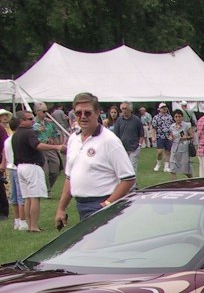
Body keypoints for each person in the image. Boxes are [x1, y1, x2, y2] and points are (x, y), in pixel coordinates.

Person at [53, 93, 134, 226]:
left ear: (97, 113)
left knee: (96, 245)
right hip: (81, 204)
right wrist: (61, 209)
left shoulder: (109, 140)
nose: (83, 116)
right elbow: (69, 177)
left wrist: (106, 204)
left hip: (101, 204)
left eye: (88, 113)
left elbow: (128, 178)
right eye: (78, 113)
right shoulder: (73, 139)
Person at [12, 111, 63, 231]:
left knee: (27, 198)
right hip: (31, 166)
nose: (32, 121)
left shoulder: (16, 134)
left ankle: (30, 225)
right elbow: (37, 145)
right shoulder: (29, 132)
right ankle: (34, 226)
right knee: (35, 197)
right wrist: (56, 147)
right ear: (21, 121)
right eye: (29, 119)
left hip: (20, 167)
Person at [33, 102, 64, 191]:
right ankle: (46, 190)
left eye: (47, 111)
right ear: (37, 111)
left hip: (51, 148)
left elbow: (56, 133)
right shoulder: (32, 123)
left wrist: (57, 141)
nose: (46, 113)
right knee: (44, 171)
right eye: (43, 111)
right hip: (40, 148)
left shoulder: (50, 122)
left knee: (56, 168)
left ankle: (46, 187)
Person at [111, 102, 145, 174]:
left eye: (125, 108)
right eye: (122, 109)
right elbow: (116, 135)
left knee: (132, 168)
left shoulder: (136, 120)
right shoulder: (119, 120)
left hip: (134, 149)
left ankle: (133, 185)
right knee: (123, 169)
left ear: (130, 109)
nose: (124, 110)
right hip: (122, 149)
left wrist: (139, 145)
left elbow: (141, 134)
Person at [167, 109, 194, 179]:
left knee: (186, 169)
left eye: (179, 116)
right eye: (176, 117)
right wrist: (170, 137)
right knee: (173, 167)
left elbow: (192, 136)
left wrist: (186, 137)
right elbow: (171, 135)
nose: (178, 118)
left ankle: (191, 180)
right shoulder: (172, 126)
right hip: (174, 148)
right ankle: (174, 184)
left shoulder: (186, 125)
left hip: (184, 148)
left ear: (182, 117)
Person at [152, 102, 173, 172]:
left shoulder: (169, 117)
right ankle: (158, 163)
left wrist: (171, 135)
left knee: (168, 152)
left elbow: (172, 127)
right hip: (160, 136)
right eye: (162, 107)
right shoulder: (156, 117)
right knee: (159, 152)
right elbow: (154, 127)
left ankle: (166, 167)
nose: (164, 108)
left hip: (168, 136)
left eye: (165, 107)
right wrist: (153, 136)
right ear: (159, 109)